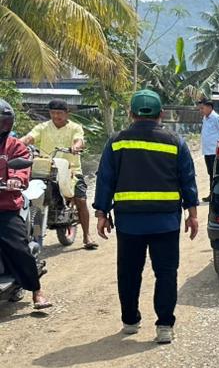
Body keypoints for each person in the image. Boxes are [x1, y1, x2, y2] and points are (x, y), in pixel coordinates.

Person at [93, 90, 198, 342]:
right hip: (166, 222)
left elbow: (105, 178)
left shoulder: (117, 142)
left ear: (131, 114)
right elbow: (187, 179)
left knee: (129, 273)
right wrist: (192, 214)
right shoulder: (175, 142)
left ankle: (130, 321)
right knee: (166, 273)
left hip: (130, 223)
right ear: (162, 114)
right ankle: (164, 326)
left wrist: (101, 212)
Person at [22, 98, 96, 249]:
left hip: (71, 170)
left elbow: (79, 140)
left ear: (67, 113)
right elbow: (29, 138)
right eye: (53, 113)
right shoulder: (43, 127)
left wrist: (76, 147)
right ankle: (33, 234)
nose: (56, 116)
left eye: (59, 113)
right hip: (45, 170)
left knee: (81, 200)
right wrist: (17, 144)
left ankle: (87, 235)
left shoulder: (75, 127)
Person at [0, 100, 50, 309]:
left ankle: (37, 291)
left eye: (3, 122)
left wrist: (15, 179)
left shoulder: (14, 146)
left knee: (17, 246)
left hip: (5, 207)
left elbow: (21, 168)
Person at [198, 97, 219, 201]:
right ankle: (212, 194)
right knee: (210, 173)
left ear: (209, 107)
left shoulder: (217, 118)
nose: (201, 111)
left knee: (215, 174)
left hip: (215, 152)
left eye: (202, 108)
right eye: (200, 108)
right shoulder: (205, 118)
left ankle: (215, 195)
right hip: (207, 151)